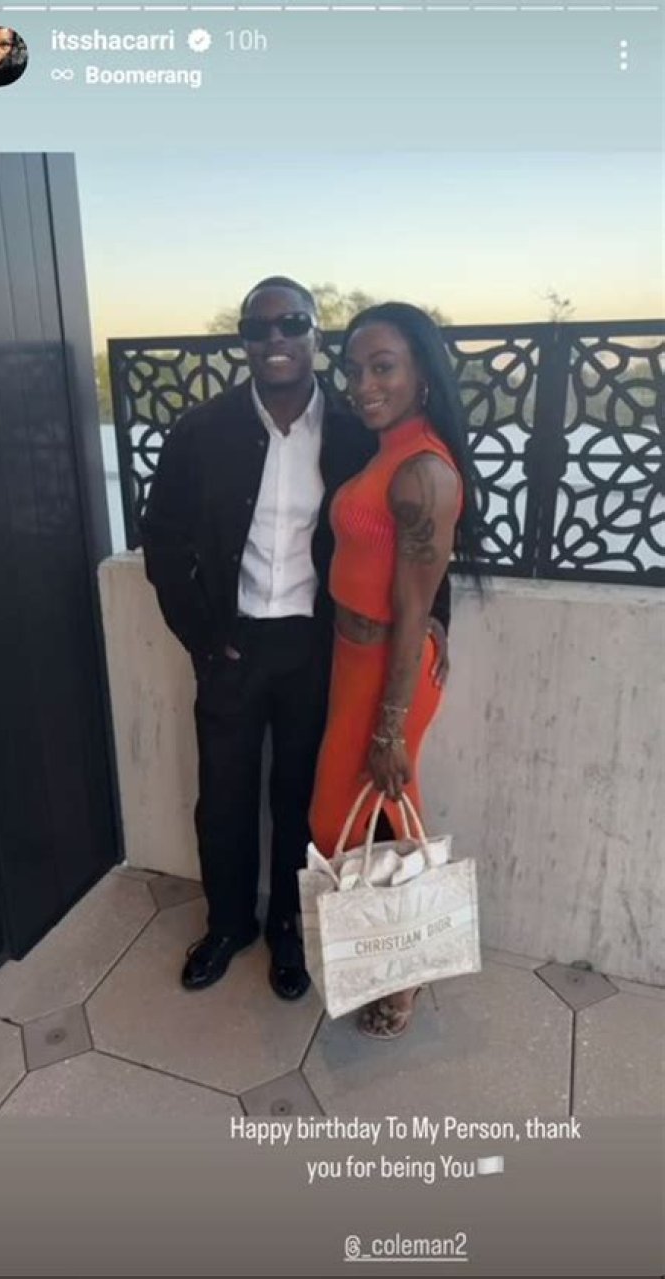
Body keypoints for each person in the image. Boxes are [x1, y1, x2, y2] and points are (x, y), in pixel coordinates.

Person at [141, 278, 452, 1001]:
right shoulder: (202, 429)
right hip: (231, 646)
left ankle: (288, 927)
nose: (275, 339)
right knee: (223, 796)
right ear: (244, 341)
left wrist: (439, 618)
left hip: (319, 650)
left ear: (316, 335)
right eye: (258, 328)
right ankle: (228, 925)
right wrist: (201, 634)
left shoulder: (354, 429)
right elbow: (161, 537)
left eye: (292, 323)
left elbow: (415, 533)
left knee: (300, 798)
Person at [308, 302, 483, 1039]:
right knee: (362, 818)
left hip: (388, 672)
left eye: (383, 368)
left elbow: (412, 606)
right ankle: (388, 955)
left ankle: (406, 974)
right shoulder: (386, 450)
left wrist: (390, 726)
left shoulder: (423, 471)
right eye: (353, 370)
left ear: (421, 375)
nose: (364, 385)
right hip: (355, 659)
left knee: (363, 815)